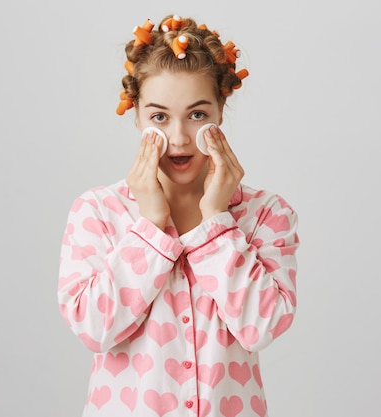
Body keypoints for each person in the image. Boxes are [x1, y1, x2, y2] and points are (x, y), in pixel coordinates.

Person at [57, 13, 299, 417]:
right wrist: (149, 224)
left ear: (221, 110)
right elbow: (93, 327)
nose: (180, 137)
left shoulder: (265, 214)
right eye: (159, 117)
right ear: (136, 116)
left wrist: (216, 219)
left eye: (198, 114)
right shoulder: (99, 211)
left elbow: (262, 325)